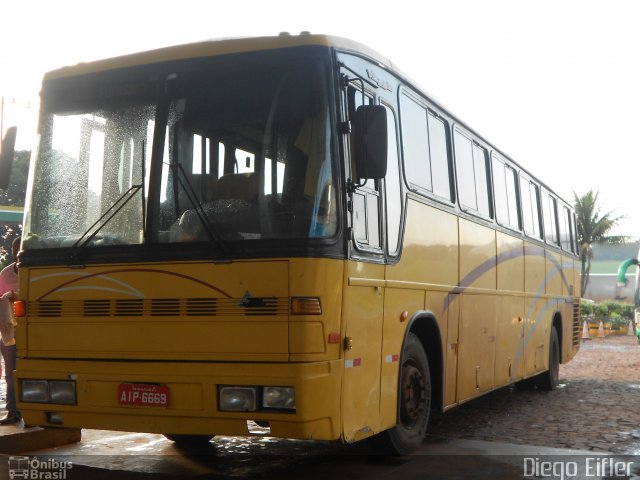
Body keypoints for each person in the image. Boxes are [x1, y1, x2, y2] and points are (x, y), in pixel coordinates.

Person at [0, 237, 22, 425]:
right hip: (9, 331)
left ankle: (34, 411)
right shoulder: (5, 273)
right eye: (15, 252)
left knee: (31, 370)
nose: (18, 255)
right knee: (10, 372)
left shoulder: (37, 273)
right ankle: (13, 411)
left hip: (32, 330)